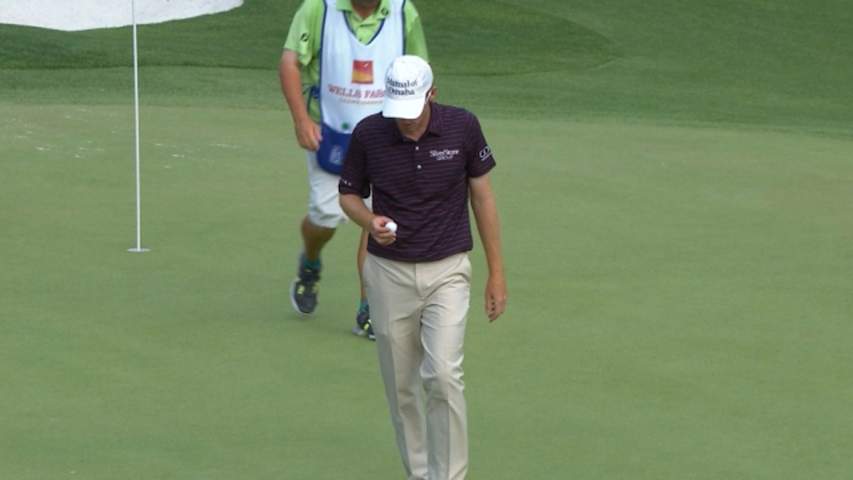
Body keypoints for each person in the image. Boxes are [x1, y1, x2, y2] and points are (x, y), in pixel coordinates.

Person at [339, 55, 507, 480]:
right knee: (401, 387)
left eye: (413, 111)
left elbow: (483, 198)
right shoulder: (369, 134)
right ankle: (419, 473)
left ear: (432, 94)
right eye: (399, 112)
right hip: (388, 274)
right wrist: (367, 221)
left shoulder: (463, 128)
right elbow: (349, 195)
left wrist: (497, 273)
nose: (406, 122)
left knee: (444, 375)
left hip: (448, 269)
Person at [278, 0, 429, 339]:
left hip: (388, 136)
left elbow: (421, 72)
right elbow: (290, 62)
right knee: (325, 217)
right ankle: (311, 259)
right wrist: (301, 119)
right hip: (330, 133)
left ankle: (369, 309)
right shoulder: (319, 8)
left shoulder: (403, 11)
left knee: (378, 221)